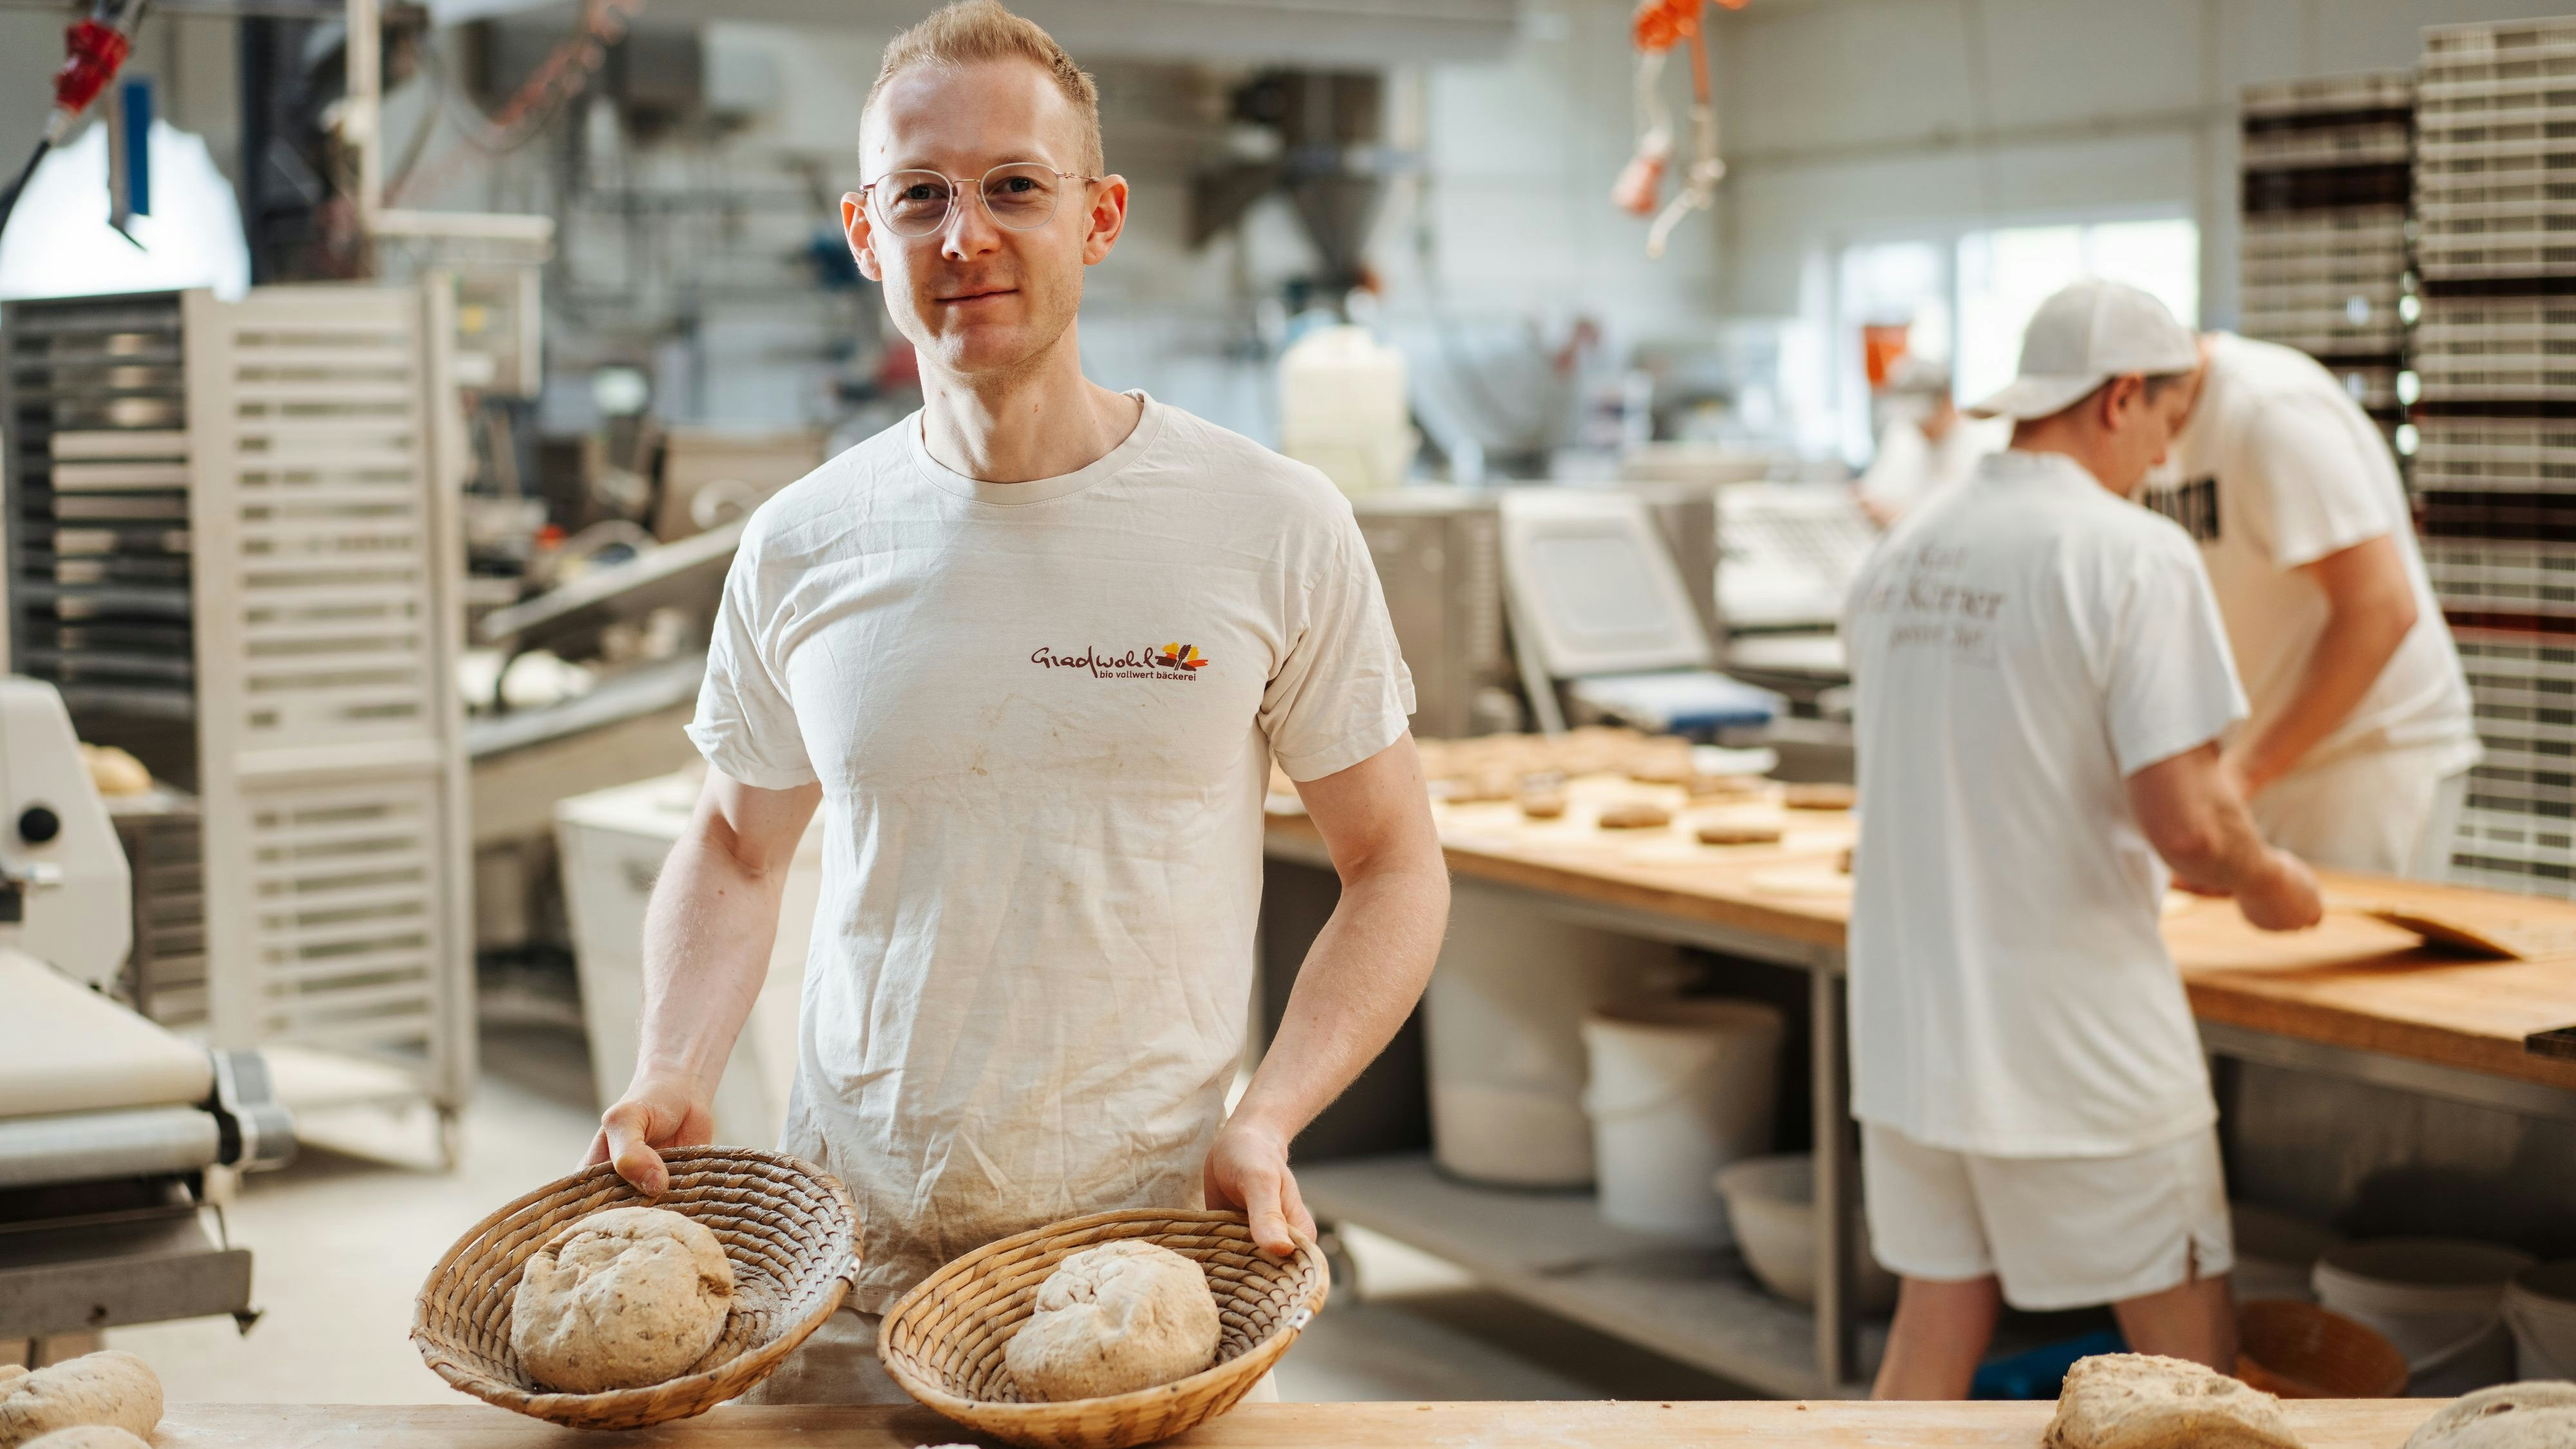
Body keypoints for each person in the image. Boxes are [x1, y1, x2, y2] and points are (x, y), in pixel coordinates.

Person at [583, 0, 1450, 1403]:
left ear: (1098, 219)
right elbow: (739, 848)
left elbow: (1393, 863)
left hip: (1152, 1268)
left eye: (1013, 189)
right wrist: (671, 1063)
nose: (963, 236)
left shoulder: (1265, 520)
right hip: (846, 1260)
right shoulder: (806, 539)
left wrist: (1271, 1116)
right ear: (865, 234)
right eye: (917, 195)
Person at [1844, 280, 2324, 1400]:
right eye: (2168, 421)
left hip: (1918, 1044)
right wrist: (2269, 880)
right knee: (2189, 1368)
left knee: (1933, 1332)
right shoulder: (2131, 557)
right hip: (2079, 1052)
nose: (2166, 454)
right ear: (2120, 400)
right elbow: (2192, 825)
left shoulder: (1903, 555)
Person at [2141, 332, 2478, 877]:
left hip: (2366, 756)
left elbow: (2382, 609)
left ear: (2122, 395)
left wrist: (2235, 780)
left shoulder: (2270, 410)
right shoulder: (2147, 427)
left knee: (2336, 954)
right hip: (2266, 759)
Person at [1855, 359, 2005, 527]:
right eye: (1914, 420)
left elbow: (1976, 520)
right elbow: (1874, 491)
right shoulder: (1903, 431)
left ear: (1947, 401)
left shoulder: (1987, 440)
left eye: (1925, 418)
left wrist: (1901, 519)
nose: (1920, 428)